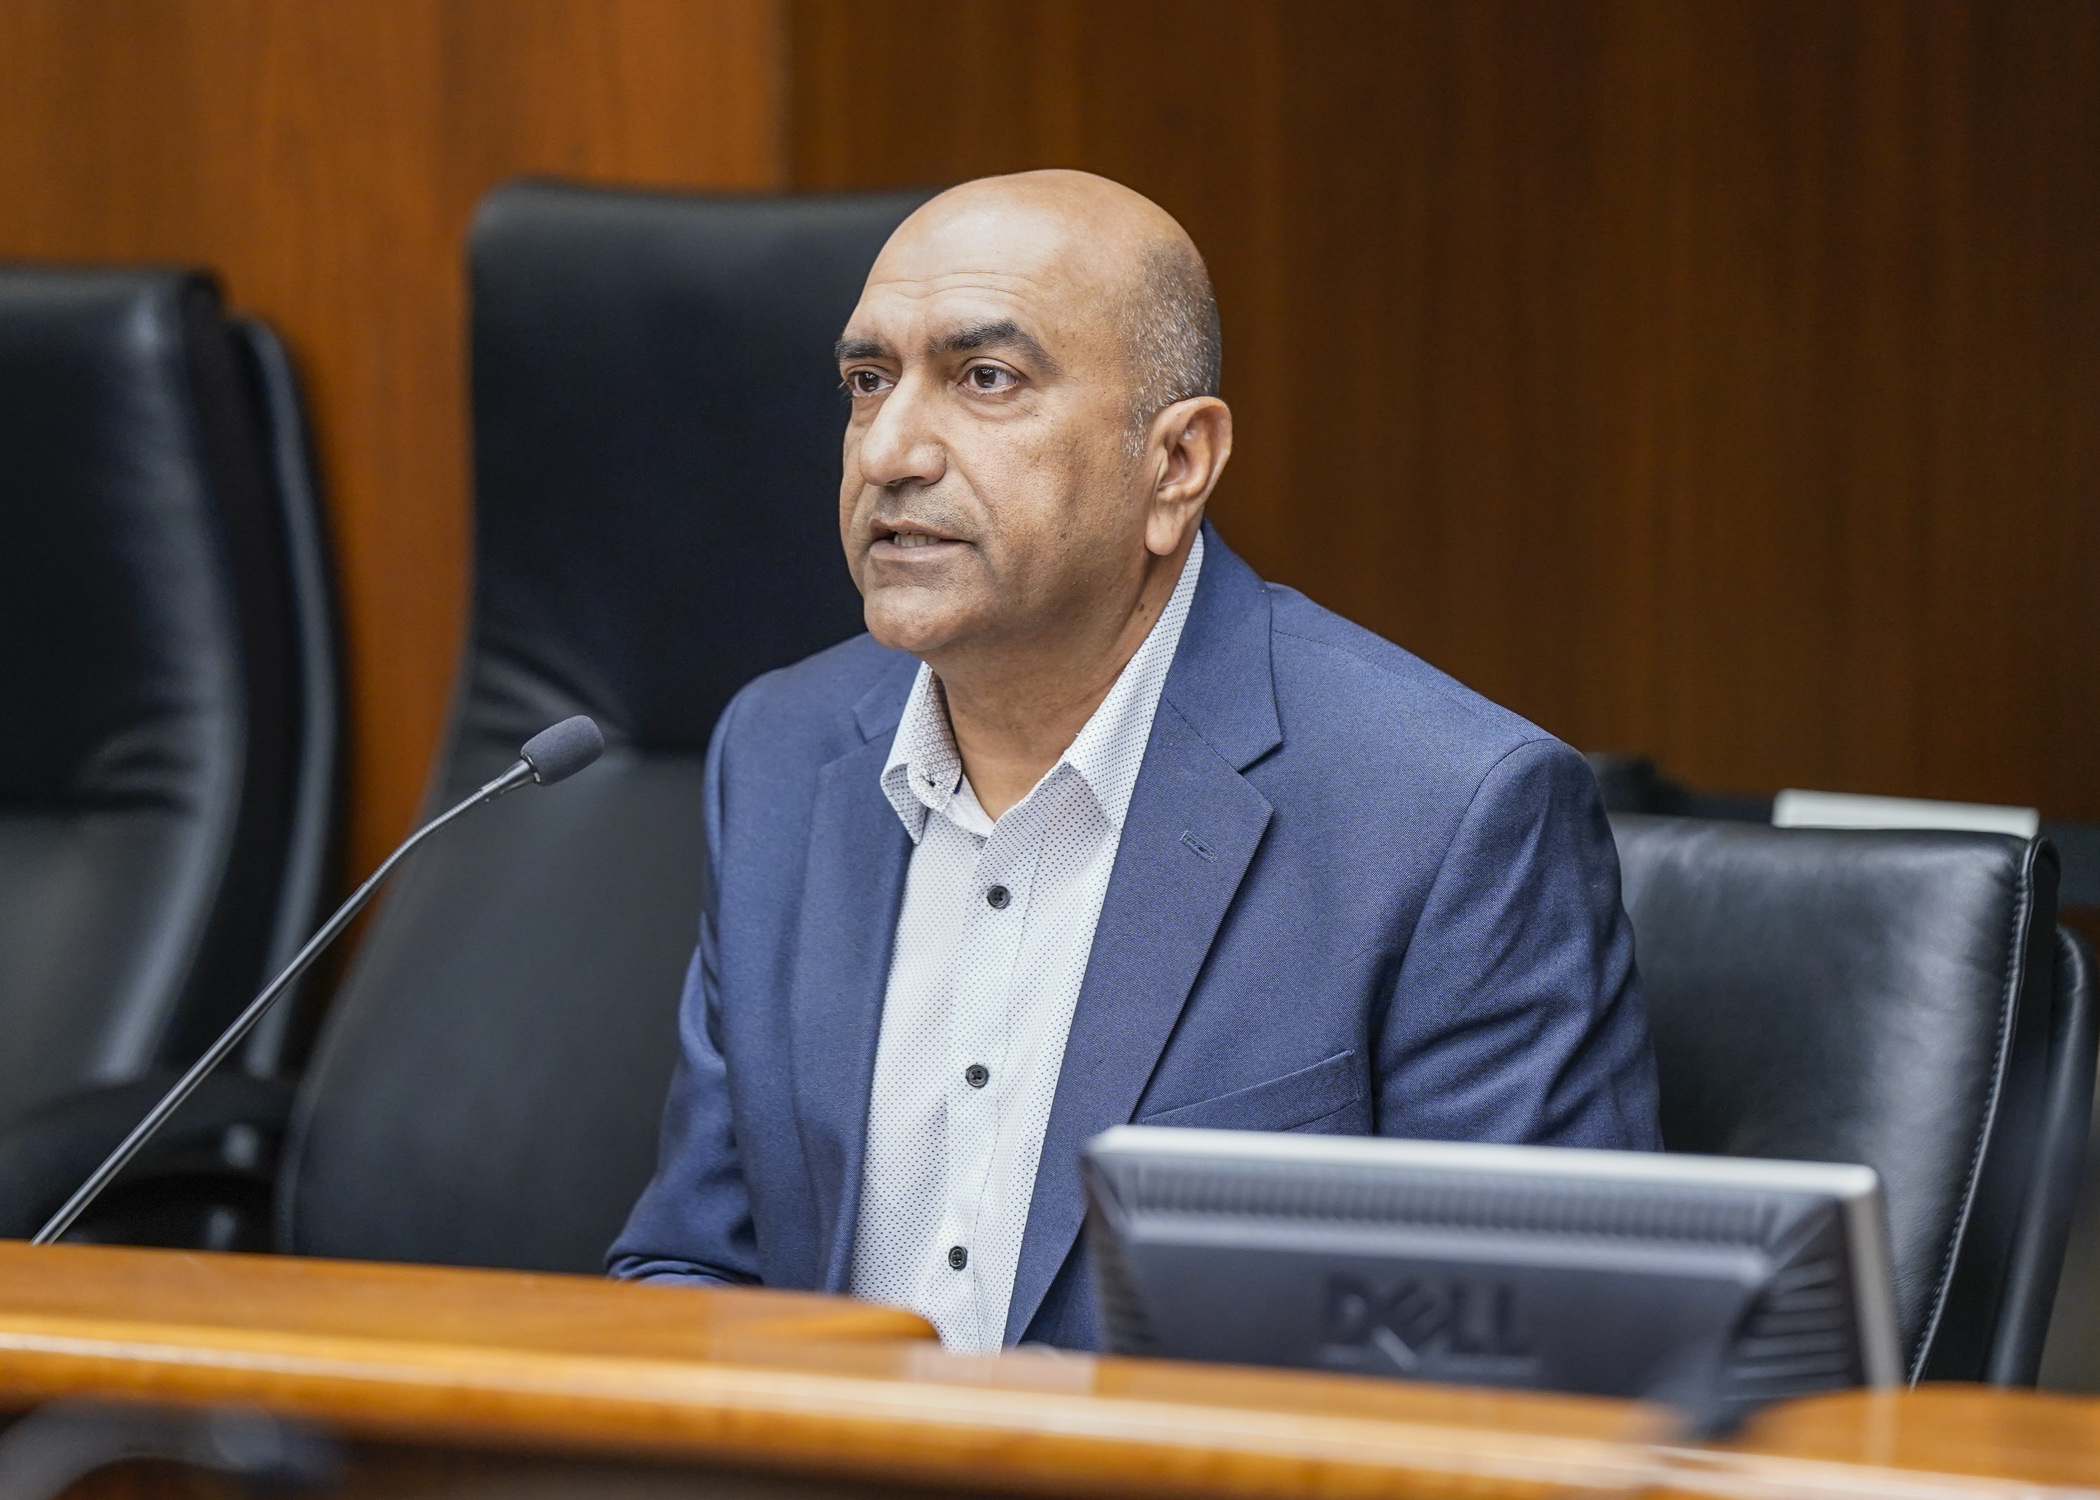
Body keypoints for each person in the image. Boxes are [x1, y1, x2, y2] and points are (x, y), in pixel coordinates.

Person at [608, 169, 1659, 1352]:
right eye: (866, 383)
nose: (891, 449)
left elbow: (1534, 1370)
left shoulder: (1446, 812)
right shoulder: (781, 751)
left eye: (985, 379)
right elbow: (693, 1264)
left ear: (1175, 465)